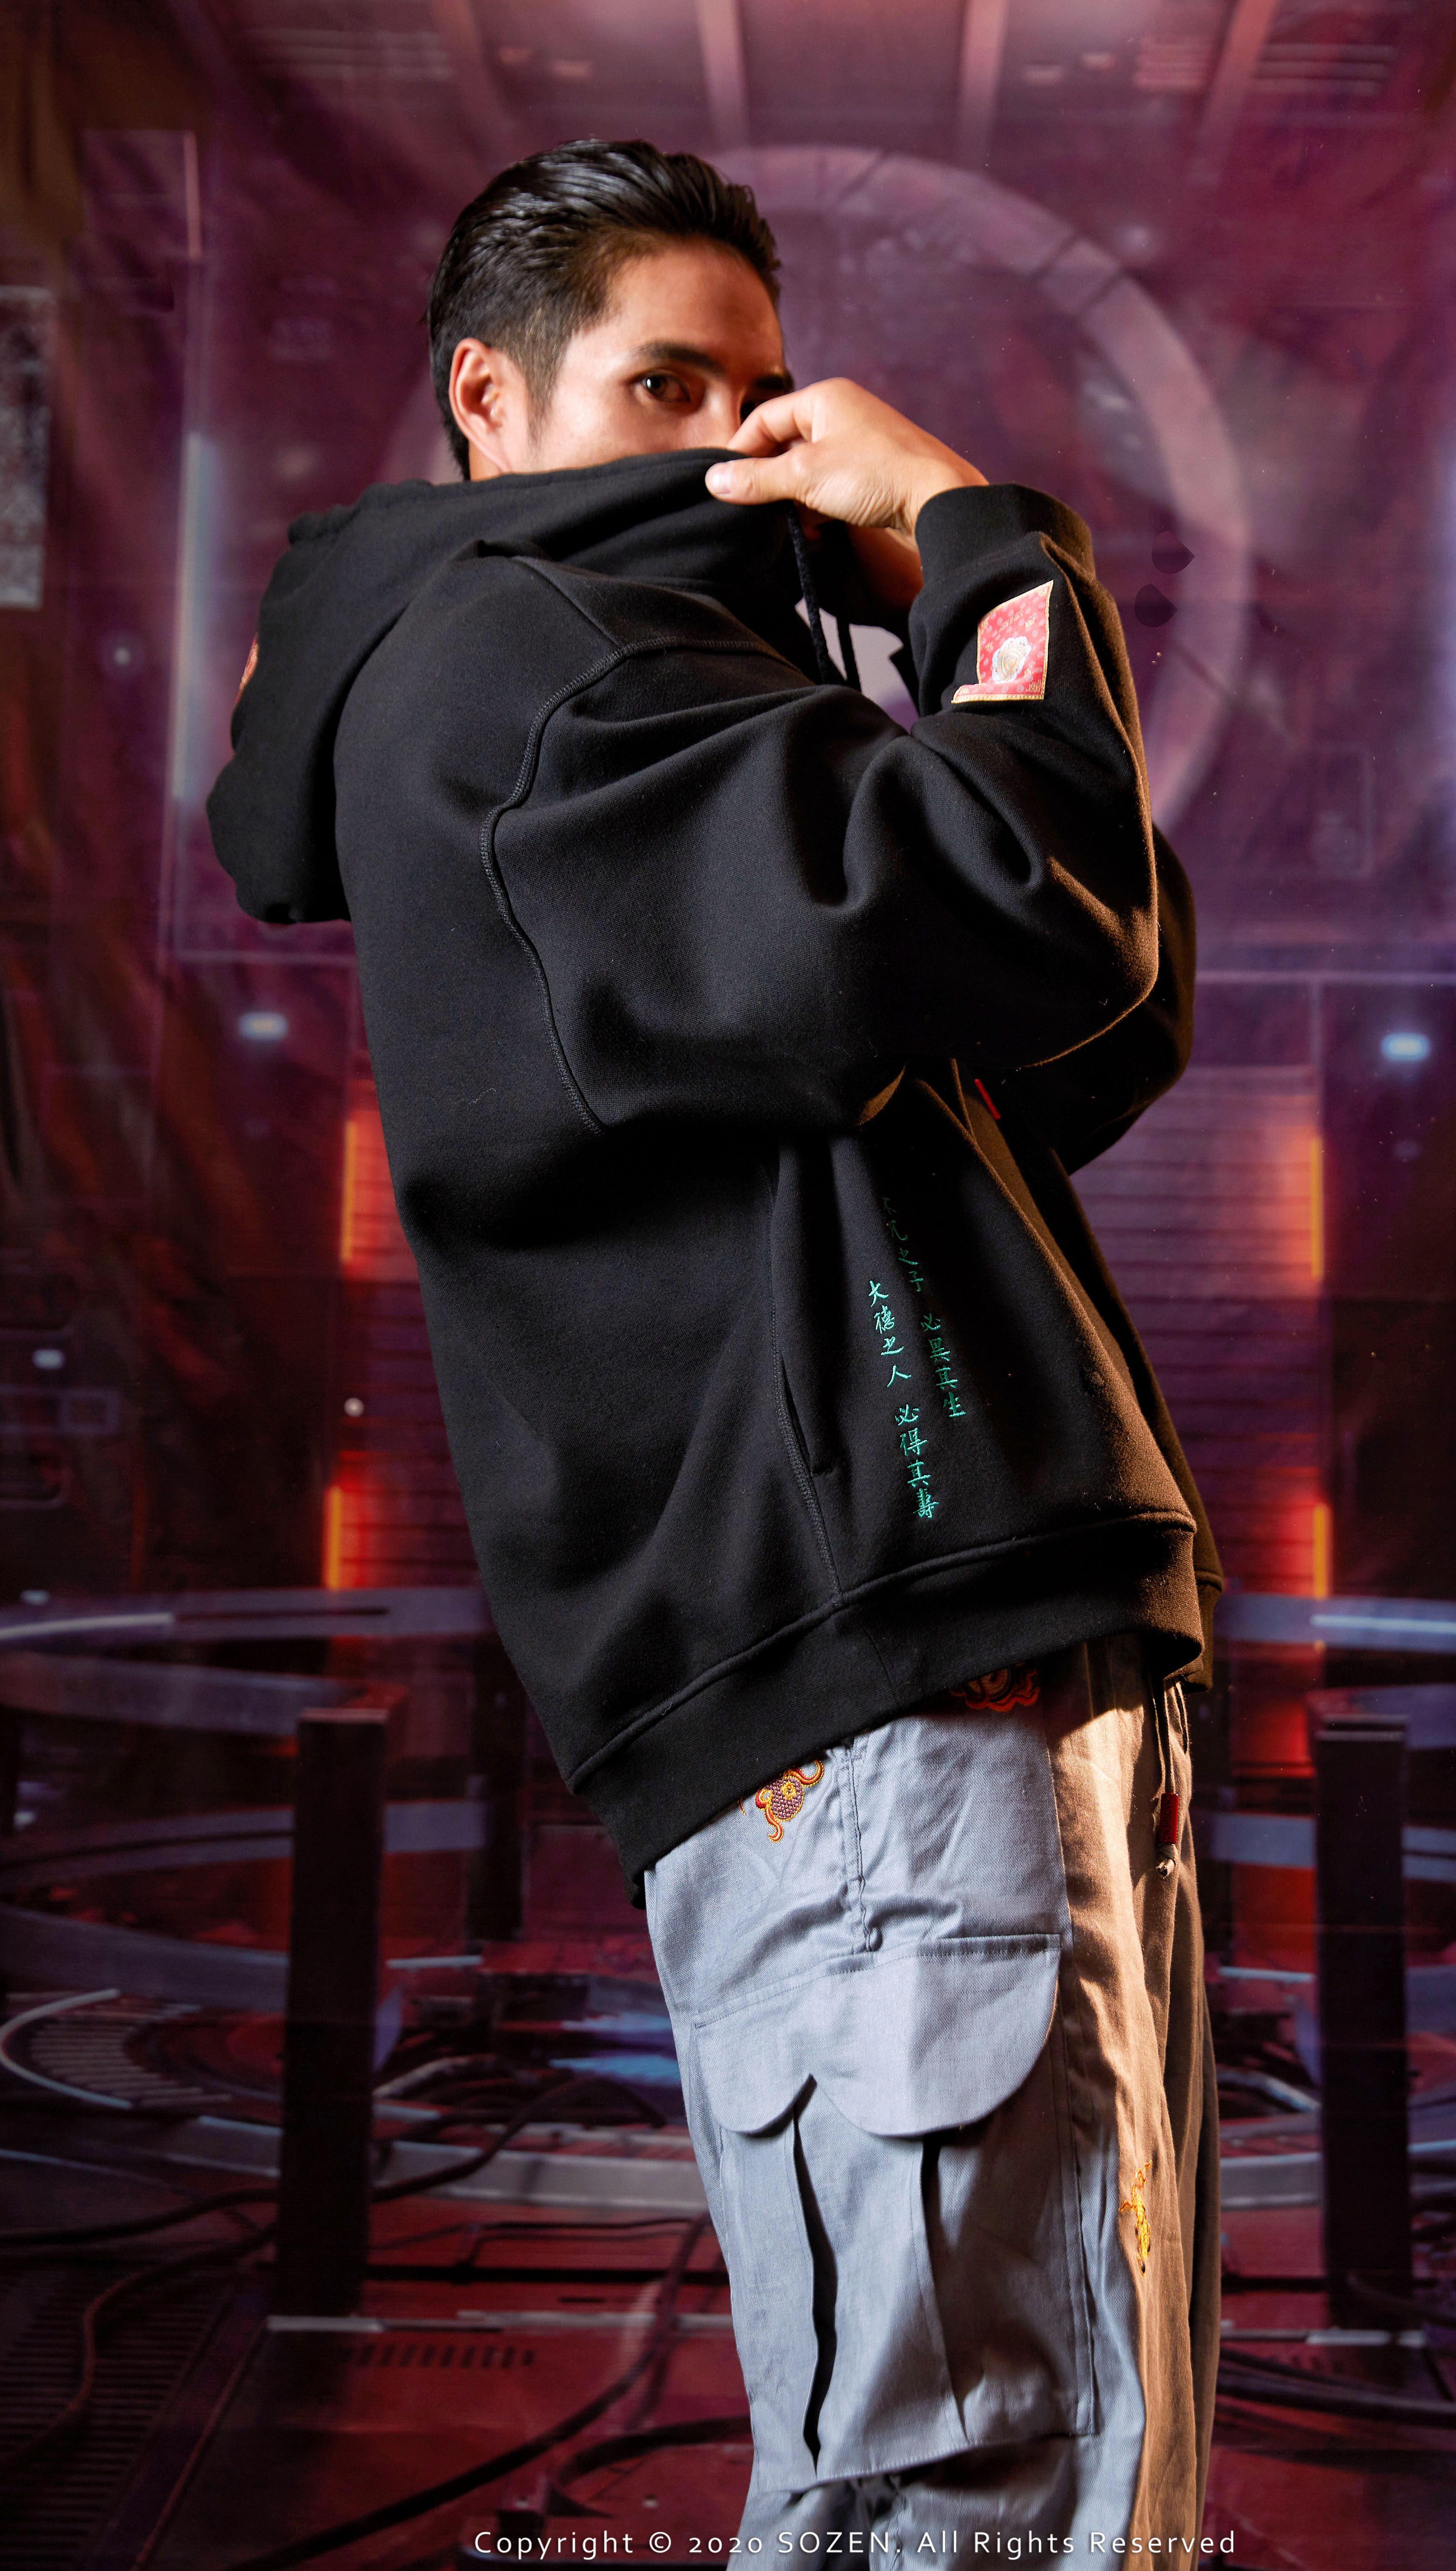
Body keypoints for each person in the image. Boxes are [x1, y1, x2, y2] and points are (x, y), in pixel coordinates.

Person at [209, 139, 1223, 2545]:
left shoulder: (667, 691)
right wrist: (982, 546)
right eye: (663, 389)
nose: (737, 456)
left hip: (932, 1646)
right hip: (882, 1667)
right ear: (488, 398)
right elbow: (1031, 906)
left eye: (759, 401)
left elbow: (1084, 1020)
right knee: (970, 2491)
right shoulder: (536, 661)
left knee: (1059, 2462)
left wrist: (931, 635)